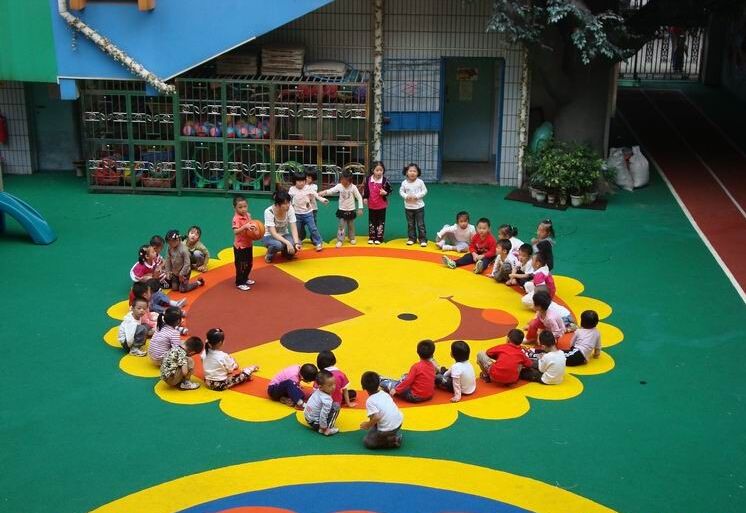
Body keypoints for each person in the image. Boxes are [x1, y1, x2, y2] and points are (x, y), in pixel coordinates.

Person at [319, 169, 364, 248]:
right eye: (342, 181)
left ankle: (352, 238)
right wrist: (324, 192)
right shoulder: (339, 186)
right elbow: (331, 191)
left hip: (351, 210)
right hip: (342, 210)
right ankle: (340, 240)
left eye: (346, 182)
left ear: (350, 181)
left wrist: (360, 208)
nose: (343, 183)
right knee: (341, 226)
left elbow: (359, 197)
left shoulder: (353, 187)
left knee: (351, 225)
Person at [360, 371, 404, 449]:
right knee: (374, 426)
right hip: (399, 423)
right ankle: (390, 434)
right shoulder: (384, 393)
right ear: (379, 384)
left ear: (363, 387)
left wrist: (367, 425)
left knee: (368, 442)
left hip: (387, 429)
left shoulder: (370, 401)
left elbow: (376, 417)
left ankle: (392, 440)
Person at [288, 171, 328, 251]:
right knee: (298, 229)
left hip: (308, 213)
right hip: (297, 214)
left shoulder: (308, 188)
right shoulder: (292, 189)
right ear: (294, 181)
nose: (301, 183)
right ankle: (298, 241)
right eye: (299, 181)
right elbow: (288, 199)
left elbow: (315, 195)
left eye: (303, 181)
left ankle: (318, 242)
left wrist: (322, 199)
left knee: (313, 228)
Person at [262, 190, 303, 263]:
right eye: (285, 203)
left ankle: (286, 254)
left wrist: (296, 243)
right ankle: (269, 255)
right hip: (269, 236)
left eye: (288, 202)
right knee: (278, 245)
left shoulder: (290, 209)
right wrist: (288, 243)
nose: (288, 205)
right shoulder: (269, 211)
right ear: (277, 205)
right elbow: (274, 233)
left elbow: (293, 227)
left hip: (284, 234)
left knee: (298, 242)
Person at [232, 196, 258, 291]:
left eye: (245, 206)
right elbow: (235, 231)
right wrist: (245, 227)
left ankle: (245, 278)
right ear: (235, 208)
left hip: (248, 244)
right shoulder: (236, 219)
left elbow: (251, 225)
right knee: (241, 265)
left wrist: (255, 229)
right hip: (240, 246)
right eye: (240, 207)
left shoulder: (248, 215)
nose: (243, 209)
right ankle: (239, 282)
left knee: (249, 263)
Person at [363, 161, 392, 245]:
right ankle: (372, 237)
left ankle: (379, 237)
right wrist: (365, 197)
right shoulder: (368, 179)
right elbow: (366, 189)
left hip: (381, 205)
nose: (379, 172)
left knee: (380, 221)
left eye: (381, 170)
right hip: (371, 205)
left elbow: (390, 190)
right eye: (377, 170)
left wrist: (385, 192)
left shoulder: (385, 180)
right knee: (372, 221)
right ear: (373, 170)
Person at [303, 370, 340, 436]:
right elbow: (323, 414)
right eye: (330, 385)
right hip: (315, 423)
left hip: (308, 418)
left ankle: (319, 427)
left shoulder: (317, 391)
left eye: (334, 383)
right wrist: (324, 427)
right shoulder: (327, 399)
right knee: (336, 406)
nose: (333, 387)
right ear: (320, 387)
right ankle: (327, 429)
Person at [399, 163, 428, 246]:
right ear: (406, 172)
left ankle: (422, 239)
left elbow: (425, 191)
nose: (412, 173)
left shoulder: (420, 182)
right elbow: (401, 191)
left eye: (414, 171)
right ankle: (412, 238)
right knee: (410, 224)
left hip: (419, 207)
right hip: (408, 207)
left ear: (418, 173)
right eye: (410, 171)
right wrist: (406, 196)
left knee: (420, 224)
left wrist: (417, 196)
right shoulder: (404, 183)